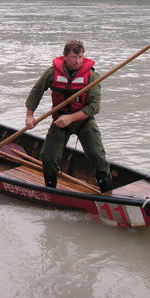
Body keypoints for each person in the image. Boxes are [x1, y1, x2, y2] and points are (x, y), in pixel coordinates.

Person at [24, 40, 112, 192]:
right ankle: (51, 191)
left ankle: (107, 192)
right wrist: (29, 115)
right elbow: (37, 91)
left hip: (84, 121)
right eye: (73, 57)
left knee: (97, 156)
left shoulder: (91, 76)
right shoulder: (52, 73)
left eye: (80, 57)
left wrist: (71, 118)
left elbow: (94, 106)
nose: (77, 61)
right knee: (48, 157)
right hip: (60, 121)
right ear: (65, 57)